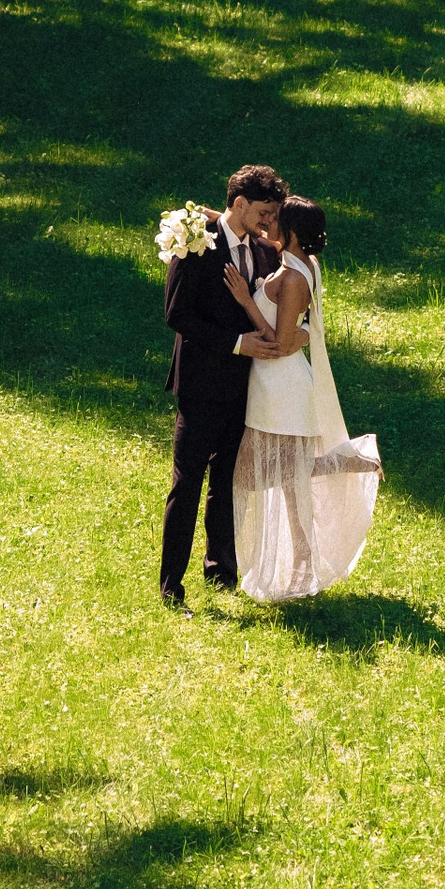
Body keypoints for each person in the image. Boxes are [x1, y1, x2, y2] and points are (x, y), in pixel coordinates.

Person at [220, 196, 380, 603]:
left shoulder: (292, 278)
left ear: (290, 231)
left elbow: (279, 343)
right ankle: (303, 566)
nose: (267, 224)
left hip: (280, 388)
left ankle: (346, 462)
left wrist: (245, 300)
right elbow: (303, 329)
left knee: (252, 478)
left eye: (275, 219)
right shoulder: (307, 264)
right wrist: (213, 215)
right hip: (280, 384)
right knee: (291, 485)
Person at [159, 165, 289, 609]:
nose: (269, 221)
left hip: (245, 388)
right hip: (199, 385)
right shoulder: (195, 242)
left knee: (229, 483)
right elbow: (177, 314)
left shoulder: (264, 251)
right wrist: (237, 343)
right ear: (239, 203)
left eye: (273, 214)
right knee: (187, 485)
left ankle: (221, 573)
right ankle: (171, 586)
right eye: (264, 212)